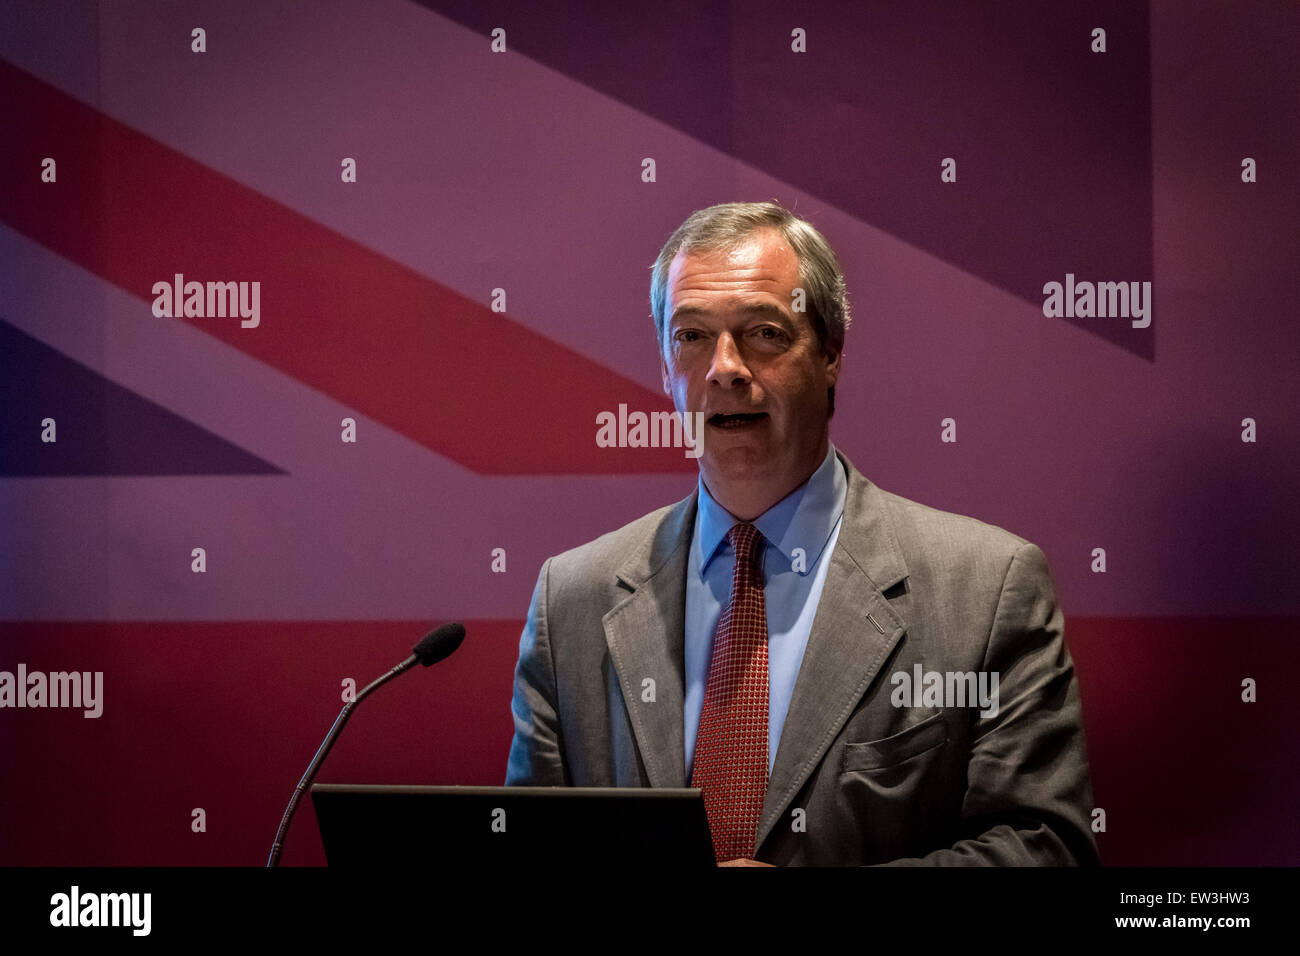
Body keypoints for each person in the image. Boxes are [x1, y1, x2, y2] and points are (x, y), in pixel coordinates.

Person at [506, 201, 1098, 866]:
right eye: (692, 336)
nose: (725, 368)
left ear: (831, 352)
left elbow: (1047, 849)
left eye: (763, 332)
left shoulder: (987, 589)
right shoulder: (572, 600)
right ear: (664, 369)